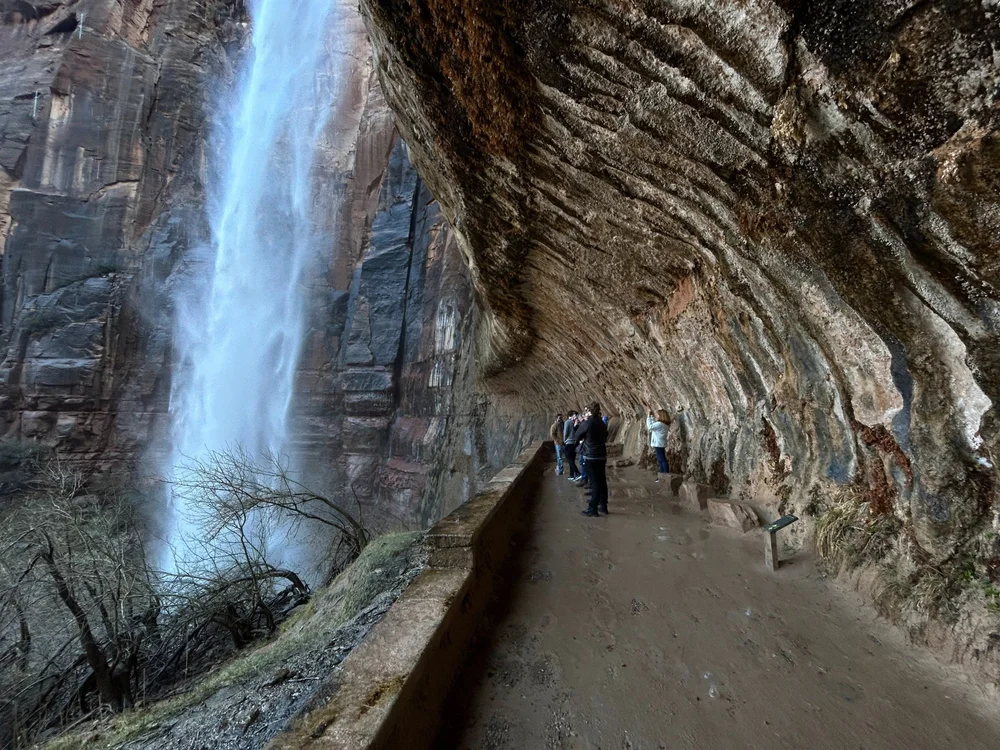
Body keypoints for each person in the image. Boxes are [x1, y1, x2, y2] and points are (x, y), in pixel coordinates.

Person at [575, 402, 609, 516]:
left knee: (594, 482)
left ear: (589, 411)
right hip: (601, 454)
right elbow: (605, 437)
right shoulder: (602, 423)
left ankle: (592, 508)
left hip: (590, 455)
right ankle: (603, 505)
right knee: (602, 480)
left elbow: (577, 435)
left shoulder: (587, 423)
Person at [647, 407, 671, 481]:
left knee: (662, 460)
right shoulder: (664, 424)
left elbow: (650, 427)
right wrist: (651, 417)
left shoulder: (660, 424)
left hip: (658, 444)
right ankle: (662, 476)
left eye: (658, 415)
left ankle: (665, 475)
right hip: (660, 443)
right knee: (661, 460)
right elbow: (655, 424)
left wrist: (648, 417)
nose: (657, 416)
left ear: (661, 416)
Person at [563, 411, 580, 479]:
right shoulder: (572, 422)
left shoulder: (567, 422)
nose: (576, 416)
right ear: (571, 415)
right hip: (574, 443)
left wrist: (564, 440)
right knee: (572, 460)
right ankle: (571, 475)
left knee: (569, 459)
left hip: (569, 442)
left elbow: (565, 432)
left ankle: (578, 473)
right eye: (574, 415)